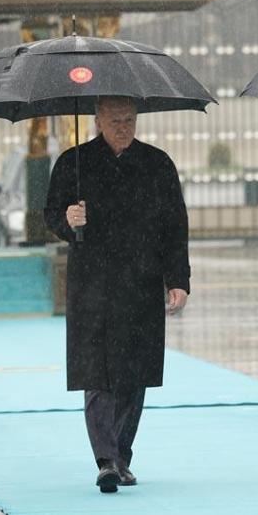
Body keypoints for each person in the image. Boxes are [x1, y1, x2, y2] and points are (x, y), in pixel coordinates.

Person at [44, 96, 190, 493]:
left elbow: (176, 227)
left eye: (129, 120)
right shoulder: (73, 163)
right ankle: (106, 459)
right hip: (92, 283)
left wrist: (178, 280)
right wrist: (67, 220)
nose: (123, 127)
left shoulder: (158, 164)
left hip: (142, 282)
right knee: (97, 373)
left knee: (134, 375)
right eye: (114, 120)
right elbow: (51, 213)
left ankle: (122, 454)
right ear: (97, 121)